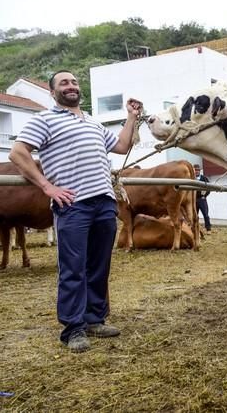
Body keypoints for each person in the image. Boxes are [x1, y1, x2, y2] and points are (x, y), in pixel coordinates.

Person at [9, 70, 142, 353]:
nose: (71, 87)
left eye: (74, 82)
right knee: (73, 268)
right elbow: (18, 153)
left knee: (99, 265)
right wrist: (47, 187)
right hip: (73, 204)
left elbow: (121, 145)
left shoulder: (93, 122)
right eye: (64, 83)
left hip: (105, 202)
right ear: (52, 91)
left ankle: (94, 319)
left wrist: (131, 117)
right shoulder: (44, 119)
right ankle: (73, 328)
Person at [193, 164, 212, 234]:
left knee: (205, 214)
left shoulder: (204, 178)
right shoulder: (191, 179)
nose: (196, 171)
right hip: (193, 200)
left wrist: (205, 195)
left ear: (200, 171)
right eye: (195, 170)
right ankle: (195, 229)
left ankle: (208, 229)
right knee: (194, 215)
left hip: (202, 199)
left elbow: (209, 188)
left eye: (198, 170)